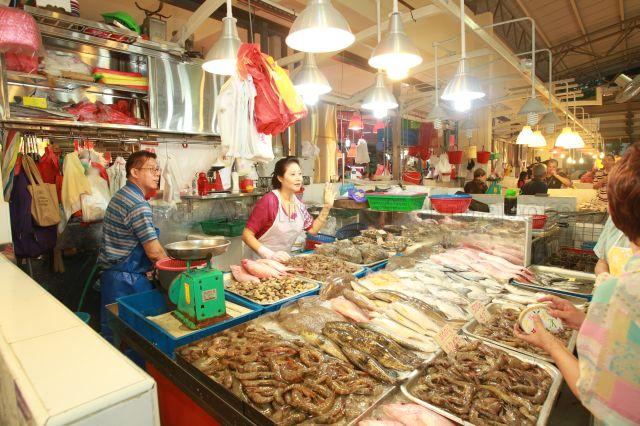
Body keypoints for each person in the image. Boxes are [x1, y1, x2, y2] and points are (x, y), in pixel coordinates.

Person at [514, 143, 640, 425]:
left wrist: (549, 343)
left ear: (619, 213)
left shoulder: (622, 289)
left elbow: (594, 389)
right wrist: (586, 321)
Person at [99, 150, 168, 339]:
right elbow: (154, 253)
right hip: (127, 284)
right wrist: (173, 272)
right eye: (152, 169)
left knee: (116, 336)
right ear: (134, 172)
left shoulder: (123, 195)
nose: (157, 174)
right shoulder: (137, 204)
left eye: (157, 169)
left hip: (115, 278)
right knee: (134, 340)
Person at [242, 157, 336, 262]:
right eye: (293, 174)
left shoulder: (298, 204)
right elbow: (246, 235)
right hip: (258, 262)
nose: (298, 178)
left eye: (299, 174)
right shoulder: (269, 201)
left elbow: (313, 230)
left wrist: (327, 206)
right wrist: (270, 255)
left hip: (283, 262)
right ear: (280, 178)